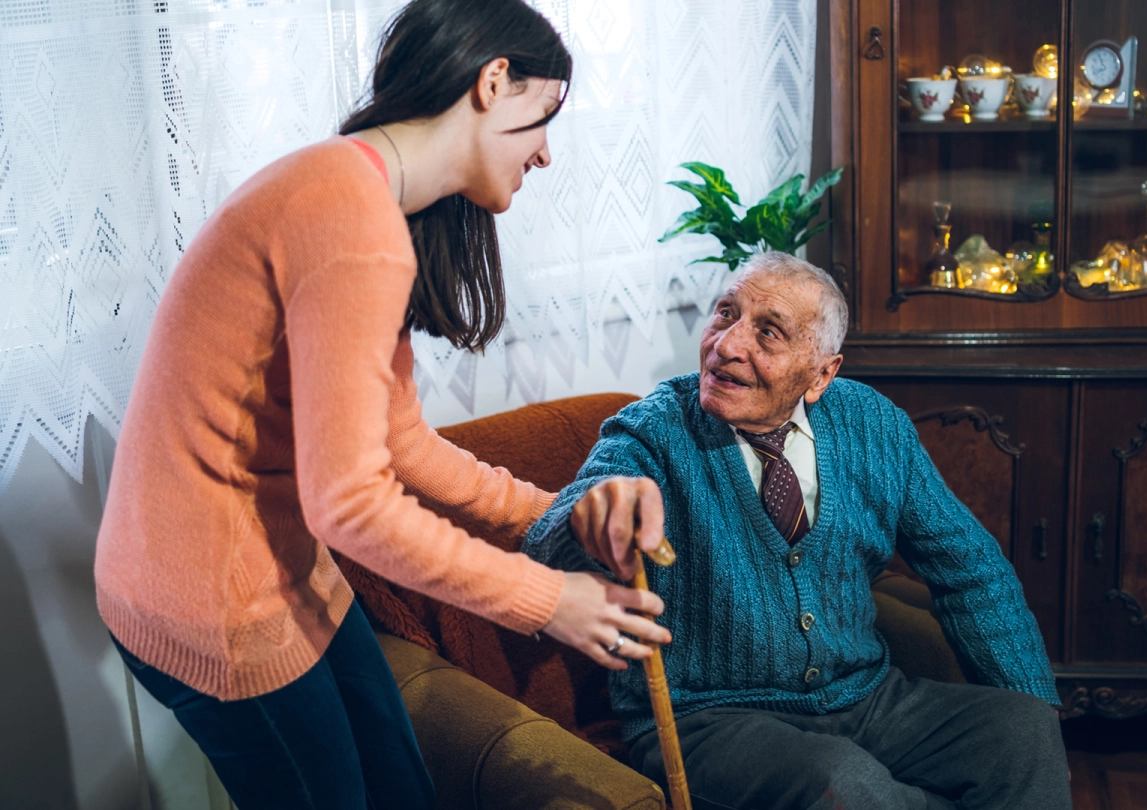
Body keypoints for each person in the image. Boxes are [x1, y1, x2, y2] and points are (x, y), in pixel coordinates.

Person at [93, 1, 669, 807]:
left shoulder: (356, 193)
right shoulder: (351, 218)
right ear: (493, 81)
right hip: (211, 596)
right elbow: (352, 505)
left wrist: (558, 517)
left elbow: (401, 443)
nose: (545, 154)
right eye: (545, 116)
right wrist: (548, 602)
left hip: (283, 569)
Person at [525, 251, 1072, 809]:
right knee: (847, 785)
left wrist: (1031, 690)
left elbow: (971, 570)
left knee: (1023, 730)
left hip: (868, 699)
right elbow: (555, 540)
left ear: (821, 374)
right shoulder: (654, 429)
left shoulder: (874, 425)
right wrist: (588, 514)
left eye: (768, 333)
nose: (727, 345)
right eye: (724, 313)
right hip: (708, 719)